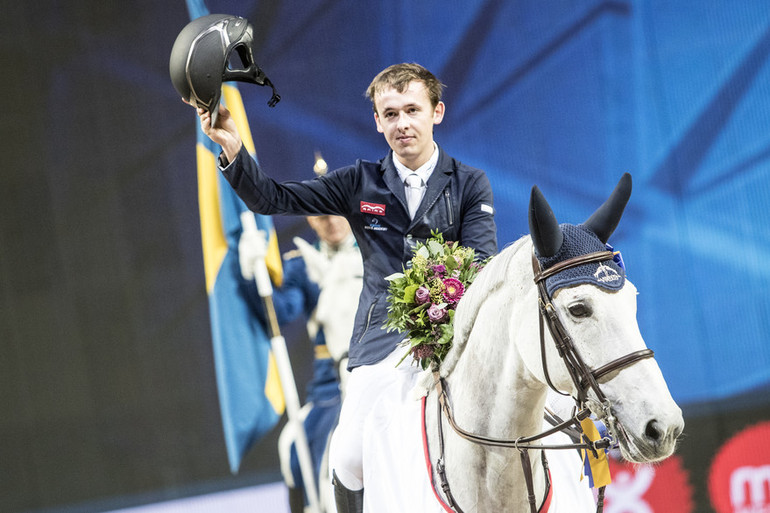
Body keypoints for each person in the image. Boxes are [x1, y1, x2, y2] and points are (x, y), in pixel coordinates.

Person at [196, 62, 498, 513]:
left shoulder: (470, 183)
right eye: (390, 114)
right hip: (379, 346)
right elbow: (273, 199)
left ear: (437, 112)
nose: (402, 123)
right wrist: (234, 150)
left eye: (412, 110)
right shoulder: (359, 182)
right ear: (377, 121)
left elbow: (481, 263)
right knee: (346, 456)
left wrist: (440, 303)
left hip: (454, 345)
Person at [239, 212, 361, 513]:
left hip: (386, 367)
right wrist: (254, 276)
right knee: (295, 450)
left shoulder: (379, 250)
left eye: (336, 213)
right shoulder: (302, 265)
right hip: (332, 383)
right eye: (321, 217)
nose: (331, 222)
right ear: (310, 220)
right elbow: (280, 312)